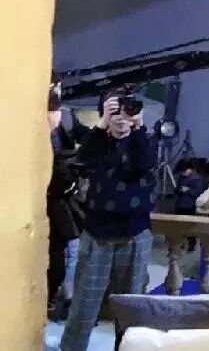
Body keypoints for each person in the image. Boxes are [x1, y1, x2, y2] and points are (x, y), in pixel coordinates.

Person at [60, 90, 157, 351]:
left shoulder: (142, 140)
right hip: (97, 234)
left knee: (132, 311)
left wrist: (138, 127)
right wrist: (102, 125)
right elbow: (81, 162)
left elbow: (144, 163)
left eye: (126, 110)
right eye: (115, 111)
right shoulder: (97, 142)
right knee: (83, 306)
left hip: (134, 234)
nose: (120, 117)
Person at [46, 85, 82, 322]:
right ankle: (62, 299)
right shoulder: (49, 130)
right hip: (56, 199)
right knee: (67, 252)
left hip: (60, 199)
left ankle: (60, 299)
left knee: (65, 252)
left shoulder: (63, 124)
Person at [174, 158, 205, 251]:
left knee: (190, 226)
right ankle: (181, 243)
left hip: (190, 206)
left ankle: (191, 244)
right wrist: (178, 190)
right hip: (180, 204)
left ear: (189, 169)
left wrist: (188, 190)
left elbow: (199, 193)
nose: (182, 173)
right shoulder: (181, 177)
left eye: (183, 171)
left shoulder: (196, 179)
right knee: (179, 226)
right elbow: (177, 188)